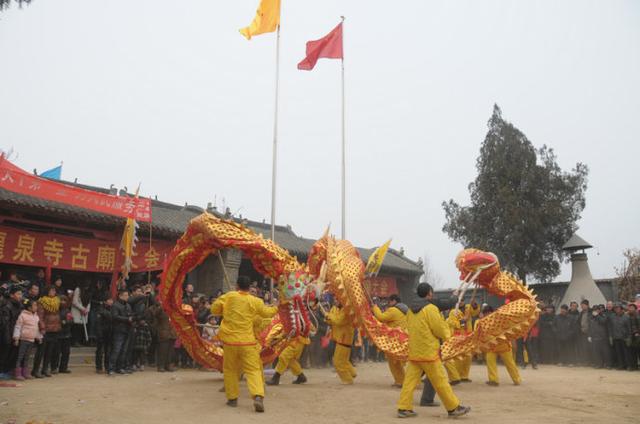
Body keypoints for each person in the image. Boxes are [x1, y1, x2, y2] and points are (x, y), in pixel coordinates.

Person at [396, 283, 470, 418]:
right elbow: (439, 328)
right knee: (441, 381)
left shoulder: (410, 310)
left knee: (409, 381)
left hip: (415, 352)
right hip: (429, 352)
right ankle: (453, 408)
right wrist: (447, 334)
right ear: (429, 293)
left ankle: (403, 407)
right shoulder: (430, 309)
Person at [210, 276, 278, 413]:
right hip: (248, 342)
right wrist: (277, 307)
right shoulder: (256, 301)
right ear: (250, 288)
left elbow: (214, 310)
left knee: (230, 370)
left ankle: (232, 398)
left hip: (230, 342)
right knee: (253, 370)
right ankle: (258, 396)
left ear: (236, 286)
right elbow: (267, 313)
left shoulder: (229, 296)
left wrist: (226, 308)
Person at [372, 294, 408, 387]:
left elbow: (381, 317)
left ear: (394, 301)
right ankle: (399, 380)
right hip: (402, 339)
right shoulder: (403, 310)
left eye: (389, 301)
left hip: (395, 340)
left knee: (394, 362)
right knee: (396, 362)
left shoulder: (394, 310)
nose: (388, 303)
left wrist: (375, 307)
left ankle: (401, 381)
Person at [481, 306, 521, 386]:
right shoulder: (484, 322)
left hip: (503, 344)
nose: (487, 314)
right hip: (492, 346)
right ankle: (493, 380)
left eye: (488, 312)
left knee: (510, 363)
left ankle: (517, 379)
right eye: (485, 313)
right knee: (490, 363)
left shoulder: (501, 320)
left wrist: (513, 342)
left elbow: (510, 331)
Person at [324, 299, 357, 385]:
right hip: (339, 338)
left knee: (338, 361)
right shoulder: (337, 308)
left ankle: (347, 379)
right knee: (344, 360)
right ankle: (352, 373)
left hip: (344, 338)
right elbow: (332, 321)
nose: (335, 301)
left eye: (337, 299)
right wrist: (328, 317)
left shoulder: (347, 311)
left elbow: (338, 321)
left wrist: (329, 316)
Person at [35, 285, 62, 377]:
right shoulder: (42, 301)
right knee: (41, 351)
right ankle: (36, 370)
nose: (53, 292)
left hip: (55, 328)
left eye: (54, 290)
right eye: (51, 290)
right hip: (45, 329)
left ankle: (45, 369)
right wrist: (42, 327)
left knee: (50, 351)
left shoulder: (57, 300)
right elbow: (40, 316)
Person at [12, 299, 42, 380]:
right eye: (34, 305)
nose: (36, 307)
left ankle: (25, 373)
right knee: (20, 357)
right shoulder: (22, 315)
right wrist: (16, 338)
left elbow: (36, 328)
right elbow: (18, 327)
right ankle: (17, 373)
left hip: (31, 340)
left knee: (27, 357)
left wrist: (39, 337)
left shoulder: (36, 316)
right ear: (29, 308)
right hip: (23, 339)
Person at [0, 286, 23, 379]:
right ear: (11, 295)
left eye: (21, 294)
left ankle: (7, 370)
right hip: (7, 333)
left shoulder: (20, 305)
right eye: (18, 294)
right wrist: (7, 336)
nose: (20, 296)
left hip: (17, 333)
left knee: (13, 354)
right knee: (5, 353)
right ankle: (1, 371)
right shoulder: (6, 305)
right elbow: (5, 323)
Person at [109, 289, 133, 375]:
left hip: (127, 329)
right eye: (125, 295)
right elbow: (115, 316)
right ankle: (111, 368)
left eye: (128, 295)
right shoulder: (115, 305)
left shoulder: (128, 305)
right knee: (116, 350)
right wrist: (127, 319)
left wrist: (131, 318)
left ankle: (120, 368)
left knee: (124, 350)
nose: (127, 297)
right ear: (120, 296)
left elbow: (130, 315)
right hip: (118, 330)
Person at [149, 299, 177, 372]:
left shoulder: (174, 312)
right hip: (163, 333)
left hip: (172, 333)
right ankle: (161, 366)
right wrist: (162, 306)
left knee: (170, 351)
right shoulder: (161, 311)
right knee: (162, 350)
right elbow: (155, 313)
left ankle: (168, 365)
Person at [588, 304, 611, 369]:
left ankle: (607, 364)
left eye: (597, 310)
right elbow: (590, 327)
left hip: (603, 337)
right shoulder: (591, 317)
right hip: (595, 337)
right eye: (594, 310)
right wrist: (589, 335)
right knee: (596, 352)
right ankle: (599, 364)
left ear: (599, 310)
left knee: (605, 352)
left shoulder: (604, 315)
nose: (595, 311)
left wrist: (597, 315)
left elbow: (603, 321)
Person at [610, 303, 630, 370]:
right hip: (616, 337)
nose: (616, 309)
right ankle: (621, 365)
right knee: (618, 353)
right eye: (615, 308)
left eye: (618, 308)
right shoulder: (612, 316)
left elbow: (629, 328)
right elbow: (611, 327)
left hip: (624, 338)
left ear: (621, 309)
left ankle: (627, 365)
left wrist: (628, 337)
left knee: (626, 353)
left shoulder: (626, 317)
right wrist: (611, 336)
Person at [95, 298, 113, 374]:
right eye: (109, 300)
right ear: (106, 301)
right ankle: (99, 367)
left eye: (112, 300)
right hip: (101, 333)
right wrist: (99, 334)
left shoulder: (113, 308)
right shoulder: (100, 309)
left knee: (108, 351)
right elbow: (98, 323)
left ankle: (107, 366)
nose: (111, 301)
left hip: (110, 333)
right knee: (100, 351)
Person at [57, 295, 73, 374]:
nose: (62, 302)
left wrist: (65, 322)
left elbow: (71, 321)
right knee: (56, 352)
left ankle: (63, 367)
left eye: (64, 300)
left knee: (66, 352)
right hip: (57, 333)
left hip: (66, 333)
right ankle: (54, 367)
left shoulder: (68, 311)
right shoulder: (55, 310)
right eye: (61, 300)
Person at [578, 300, 592, 365]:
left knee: (590, 348)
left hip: (590, 333)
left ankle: (591, 361)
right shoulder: (581, 313)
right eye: (581, 306)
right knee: (584, 348)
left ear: (587, 305)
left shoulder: (591, 312)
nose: (582, 307)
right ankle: (585, 361)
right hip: (582, 332)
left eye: (583, 305)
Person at [627, 303, 640, 370]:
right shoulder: (628, 316)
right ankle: (634, 366)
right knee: (632, 352)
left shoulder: (638, 316)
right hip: (631, 336)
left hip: (637, 336)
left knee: (638, 351)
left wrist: (637, 332)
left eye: (632, 307)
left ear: (635, 308)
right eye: (629, 308)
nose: (630, 309)